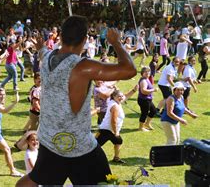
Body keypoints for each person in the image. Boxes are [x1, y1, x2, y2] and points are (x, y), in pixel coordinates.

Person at [17, 16, 136, 186]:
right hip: (79, 146)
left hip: (49, 139)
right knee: (106, 183)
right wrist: (116, 42)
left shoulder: (48, 58)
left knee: (34, 180)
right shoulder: (83, 67)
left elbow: (43, 52)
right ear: (85, 40)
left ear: (61, 37)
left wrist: (41, 47)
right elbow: (129, 70)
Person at [96, 88, 137, 164]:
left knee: (118, 141)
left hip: (110, 129)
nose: (121, 98)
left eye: (121, 96)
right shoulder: (114, 106)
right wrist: (116, 132)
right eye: (119, 96)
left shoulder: (115, 101)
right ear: (113, 97)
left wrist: (134, 90)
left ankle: (116, 158)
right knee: (95, 146)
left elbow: (126, 96)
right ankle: (85, 158)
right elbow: (113, 121)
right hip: (107, 130)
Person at [137, 67, 157, 131]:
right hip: (144, 100)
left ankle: (147, 124)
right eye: (145, 72)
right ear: (142, 73)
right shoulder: (143, 81)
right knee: (144, 113)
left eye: (148, 71)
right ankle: (141, 127)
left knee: (153, 110)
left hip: (147, 99)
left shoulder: (147, 79)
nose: (147, 73)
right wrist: (153, 90)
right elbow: (143, 91)